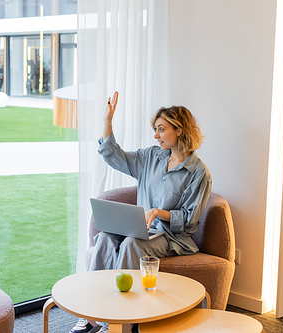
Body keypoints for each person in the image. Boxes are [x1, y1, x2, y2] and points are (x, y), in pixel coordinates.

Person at [69, 92, 212, 333]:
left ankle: (118, 320)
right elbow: (115, 157)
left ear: (179, 130)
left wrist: (159, 213)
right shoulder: (151, 157)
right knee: (105, 237)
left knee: (131, 245)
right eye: (155, 129)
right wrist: (108, 121)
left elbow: (189, 220)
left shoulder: (199, 173)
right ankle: (93, 314)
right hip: (144, 230)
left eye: (161, 129)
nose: (155, 135)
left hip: (173, 237)